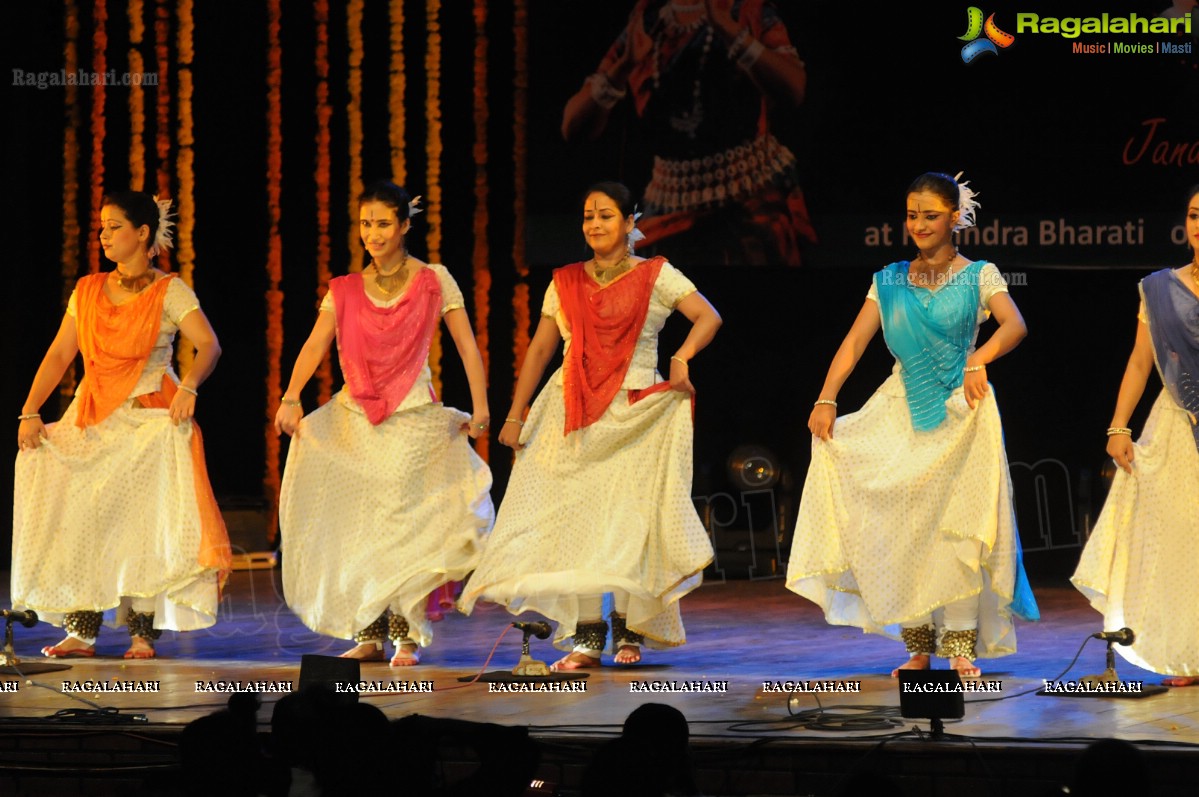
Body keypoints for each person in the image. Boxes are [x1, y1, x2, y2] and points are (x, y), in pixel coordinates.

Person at [786, 172, 1038, 678]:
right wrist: (826, 396)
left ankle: (962, 646)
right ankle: (919, 646)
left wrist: (977, 360)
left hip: (964, 414)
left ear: (954, 218)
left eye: (930, 215)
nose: (918, 224)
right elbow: (855, 342)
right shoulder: (889, 279)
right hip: (899, 410)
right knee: (905, 528)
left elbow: (1014, 324)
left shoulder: (979, 275)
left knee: (958, 531)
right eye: (911, 215)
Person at [460, 181, 720, 670]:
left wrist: (683, 357)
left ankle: (629, 631)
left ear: (629, 221)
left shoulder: (657, 275)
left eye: (605, 215)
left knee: (627, 522)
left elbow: (707, 317)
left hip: (635, 410)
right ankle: (584, 638)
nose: (595, 224)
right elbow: (540, 349)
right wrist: (516, 414)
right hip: (571, 410)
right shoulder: (566, 281)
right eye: (587, 216)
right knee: (574, 521)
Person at [276, 180, 493, 667]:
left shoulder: (434, 279)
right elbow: (314, 344)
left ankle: (406, 633)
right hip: (356, 416)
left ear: (404, 226)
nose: (372, 234)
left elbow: (465, 345)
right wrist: (291, 397)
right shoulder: (346, 290)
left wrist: (480, 406)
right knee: (361, 525)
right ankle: (368, 629)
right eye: (365, 224)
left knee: (403, 523)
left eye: (382, 224)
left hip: (414, 414)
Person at [13, 191, 230, 659]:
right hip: (91, 416)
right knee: (77, 518)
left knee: (142, 526)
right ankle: (81, 629)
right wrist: (30, 410)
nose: (104, 235)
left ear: (143, 233)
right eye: (103, 227)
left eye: (114, 226)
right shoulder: (87, 289)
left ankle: (141, 633)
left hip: (148, 417)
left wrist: (189, 386)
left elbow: (208, 344)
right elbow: (58, 354)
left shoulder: (169, 290)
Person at [561, 0, 815, 266]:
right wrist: (625, 64)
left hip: (750, 207)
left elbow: (794, 90)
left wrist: (731, 32)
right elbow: (572, 127)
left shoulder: (746, 11)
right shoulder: (648, 20)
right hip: (665, 213)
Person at [1072, 185, 1199, 686]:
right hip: (1175, 429)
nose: (1198, 225)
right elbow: (1140, 361)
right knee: (1180, 544)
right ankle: (1188, 652)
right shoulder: (1160, 289)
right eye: (1193, 214)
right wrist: (1119, 425)